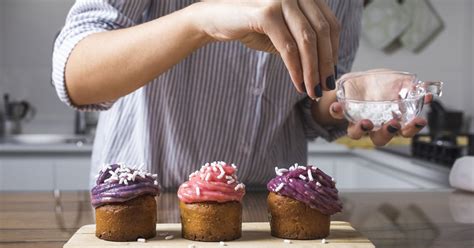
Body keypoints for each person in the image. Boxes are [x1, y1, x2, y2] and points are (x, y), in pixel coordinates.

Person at [52, 0, 427, 189]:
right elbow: (75, 76)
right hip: (148, 204)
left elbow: (311, 106)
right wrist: (200, 20)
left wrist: (347, 97)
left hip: (269, 207)